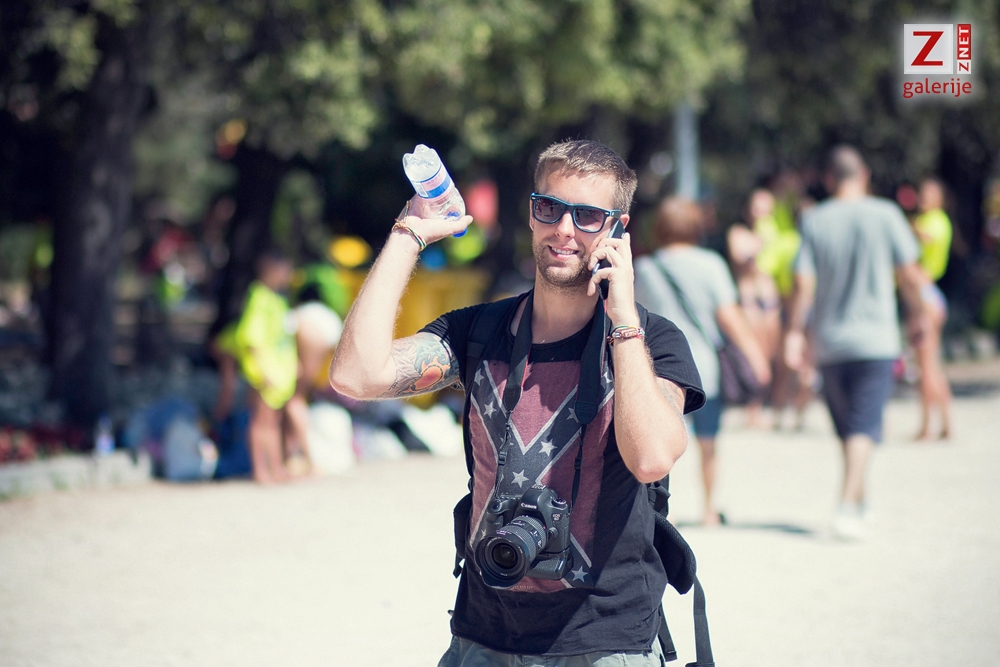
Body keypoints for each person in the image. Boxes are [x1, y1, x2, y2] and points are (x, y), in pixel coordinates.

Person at [330, 139, 705, 665]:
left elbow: (651, 459)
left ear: (618, 229)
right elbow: (356, 374)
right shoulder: (479, 332)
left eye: (587, 216)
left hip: (604, 640)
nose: (564, 229)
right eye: (549, 208)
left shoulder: (653, 342)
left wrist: (622, 321)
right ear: (531, 214)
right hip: (483, 634)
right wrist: (408, 233)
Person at [784, 146, 928, 540]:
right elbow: (909, 274)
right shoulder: (887, 214)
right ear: (864, 175)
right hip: (877, 339)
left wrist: (795, 332)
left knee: (851, 426)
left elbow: (803, 282)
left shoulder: (814, 220)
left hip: (830, 341)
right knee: (861, 427)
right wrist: (919, 315)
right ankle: (850, 505)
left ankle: (856, 502)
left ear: (829, 179)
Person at [634, 197, 771, 527]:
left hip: (658, 369)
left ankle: (660, 509)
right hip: (704, 369)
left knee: (659, 440)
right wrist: (756, 356)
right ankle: (709, 510)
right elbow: (729, 316)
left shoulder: (645, 269)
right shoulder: (711, 265)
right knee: (708, 442)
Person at [224, 250, 311, 484]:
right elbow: (251, 339)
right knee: (261, 423)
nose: (288, 274)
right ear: (271, 271)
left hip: (280, 373)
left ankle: (276, 468)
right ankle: (261, 471)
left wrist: (294, 364)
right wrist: (261, 371)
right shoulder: (259, 298)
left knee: (272, 423)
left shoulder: (276, 299)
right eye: (285, 270)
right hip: (266, 373)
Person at [727, 190, 783, 428]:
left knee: (772, 354)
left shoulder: (777, 232)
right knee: (754, 354)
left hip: (770, 299)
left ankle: (773, 406)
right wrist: (761, 242)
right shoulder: (739, 233)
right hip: (749, 299)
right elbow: (740, 258)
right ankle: (753, 408)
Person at [910, 177, 953, 440]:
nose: (924, 197)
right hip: (928, 294)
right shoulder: (927, 220)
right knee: (931, 366)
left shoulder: (936, 221)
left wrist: (909, 227)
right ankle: (945, 424)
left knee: (926, 367)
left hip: (925, 295)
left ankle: (927, 427)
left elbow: (926, 238)